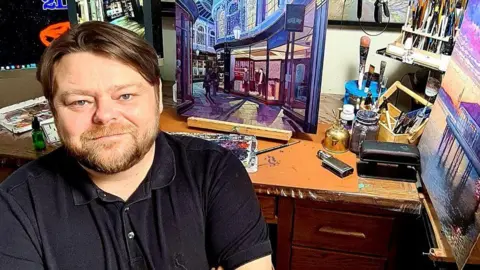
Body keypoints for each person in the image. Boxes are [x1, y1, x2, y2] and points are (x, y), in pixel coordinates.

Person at [0, 21, 272, 270]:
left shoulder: (214, 171)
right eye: (80, 101)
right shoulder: (16, 206)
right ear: (54, 112)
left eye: (126, 95)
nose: (104, 115)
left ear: (158, 100)